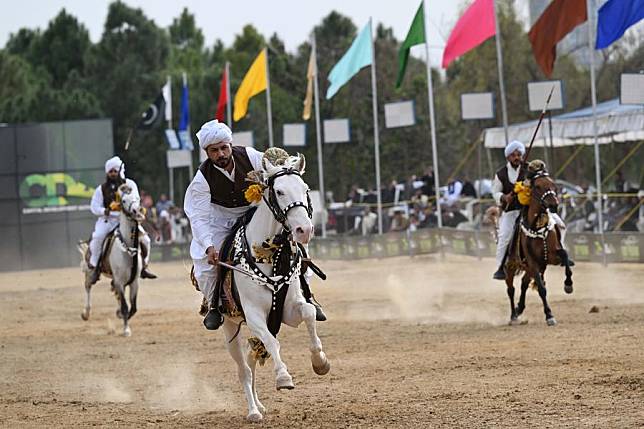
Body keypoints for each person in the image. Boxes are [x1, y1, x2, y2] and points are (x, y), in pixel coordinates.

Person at [184, 120, 326, 331]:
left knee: (295, 243)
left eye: (224, 148)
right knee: (204, 267)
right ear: (207, 152)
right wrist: (208, 246)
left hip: (255, 211)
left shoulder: (250, 156)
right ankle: (214, 304)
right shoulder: (201, 179)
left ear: (230, 145)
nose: (221, 154)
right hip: (221, 221)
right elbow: (199, 217)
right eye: (214, 150)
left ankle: (307, 293)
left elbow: (277, 171)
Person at [87, 156, 157, 284]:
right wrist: (104, 211)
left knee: (145, 239)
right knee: (98, 237)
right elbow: (94, 206)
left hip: (127, 221)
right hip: (108, 220)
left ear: (120, 171)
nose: (113, 173)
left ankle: (144, 267)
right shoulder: (101, 189)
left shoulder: (130, 184)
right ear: (107, 173)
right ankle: (95, 267)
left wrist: (135, 209)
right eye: (111, 171)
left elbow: (136, 199)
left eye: (115, 171)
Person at [491, 140, 526, 280]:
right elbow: (495, 192)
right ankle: (500, 267)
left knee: (557, 224)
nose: (517, 157)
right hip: (511, 212)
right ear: (508, 157)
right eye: (513, 155)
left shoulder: (528, 169)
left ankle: (560, 252)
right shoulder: (501, 174)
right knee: (504, 237)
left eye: (519, 154)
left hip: (528, 210)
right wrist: (504, 197)